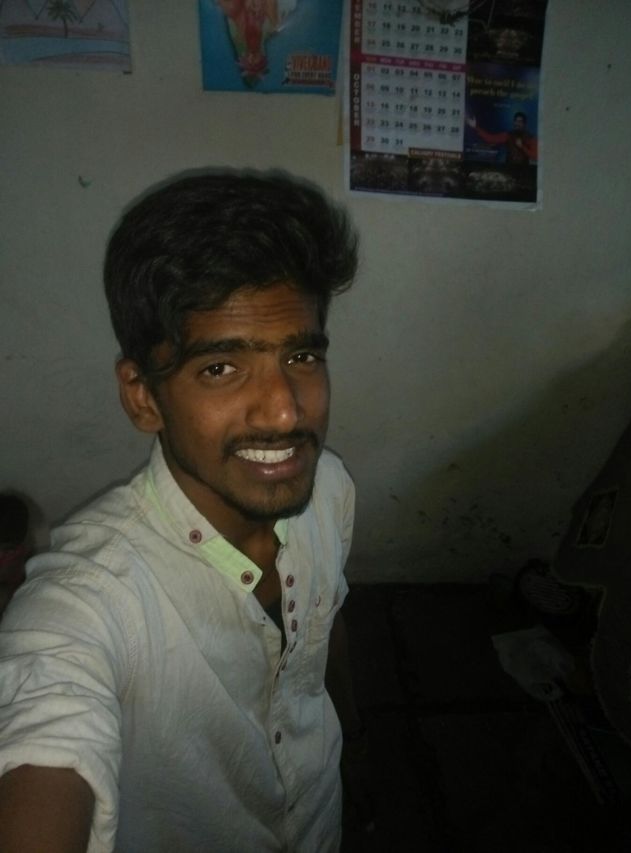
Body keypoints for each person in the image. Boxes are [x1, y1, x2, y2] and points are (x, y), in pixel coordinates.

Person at [0, 170, 362, 852]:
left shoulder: (330, 489)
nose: (285, 411)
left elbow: (328, 630)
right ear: (143, 397)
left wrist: (356, 747)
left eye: (301, 355)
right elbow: (46, 726)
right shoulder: (89, 601)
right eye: (221, 368)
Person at [466, 110, 538, 165]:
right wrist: (475, 127)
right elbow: (490, 139)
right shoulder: (508, 135)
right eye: (515, 121)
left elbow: (535, 156)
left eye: (520, 121)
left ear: (524, 124)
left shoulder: (530, 138)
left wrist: (522, 147)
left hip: (524, 171)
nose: (517, 123)